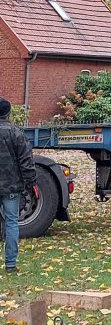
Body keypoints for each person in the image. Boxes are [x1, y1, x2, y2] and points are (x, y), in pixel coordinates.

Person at [0, 97, 36, 273]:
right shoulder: (15, 132)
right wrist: (31, 182)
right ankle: (10, 264)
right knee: (11, 222)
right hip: (11, 185)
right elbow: (25, 160)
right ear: (8, 113)